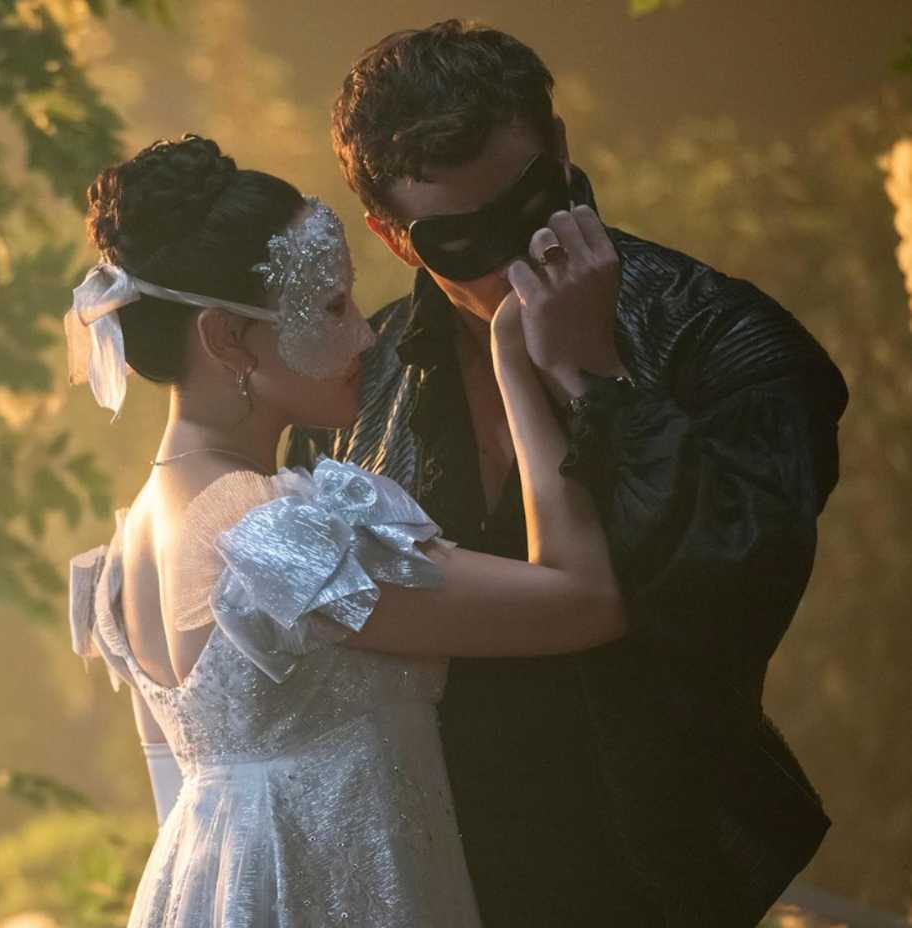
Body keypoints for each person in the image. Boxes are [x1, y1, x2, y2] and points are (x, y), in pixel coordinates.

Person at [287, 20, 847, 926]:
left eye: (532, 204)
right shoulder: (356, 380)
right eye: (463, 242)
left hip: (653, 864)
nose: (514, 258)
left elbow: (736, 595)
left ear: (562, 153)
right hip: (434, 863)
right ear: (395, 239)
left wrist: (600, 385)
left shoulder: (726, 341)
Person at [64, 133, 627, 927]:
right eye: (330, 307)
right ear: (227, 339)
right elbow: (583, 602)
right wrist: (520, 360)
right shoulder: (276, 534)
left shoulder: (127, 557)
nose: (366, 335)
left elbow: (175, 796)